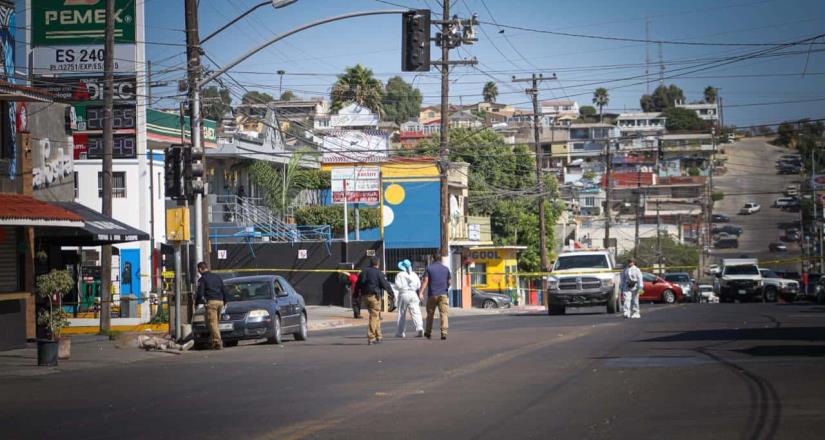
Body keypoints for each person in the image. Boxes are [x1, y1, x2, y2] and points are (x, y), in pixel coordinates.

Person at [356, 257, 394, 345]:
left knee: (375, 315)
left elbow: (358, 284)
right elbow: (385, 284)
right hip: (374, 297)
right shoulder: (378, 273)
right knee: (374, 316)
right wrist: (391, 293)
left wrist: (356, 294)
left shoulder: (363, 271)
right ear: (378, 263)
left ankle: (378, 336)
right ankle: (371, 337)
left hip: (365, 296)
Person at [195, 262, 227, 349]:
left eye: (198, 270)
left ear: (200, 269)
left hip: (211, 302)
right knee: (215, 323)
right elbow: (223, 289)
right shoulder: (217, 277)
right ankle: (213, 342)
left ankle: (218, 341)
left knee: (212, 323)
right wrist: (225, 301)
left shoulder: (202, 280)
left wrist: (197, 303)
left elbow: (200, 293)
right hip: (220, 302)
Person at [419, 254, 451, 340]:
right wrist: (446, 288)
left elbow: (425, 281)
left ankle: (428, 332)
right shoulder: (446, 269)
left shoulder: (429, 268)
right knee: (443, 314)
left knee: (430, 314)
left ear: (433, 258)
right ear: (440, 259)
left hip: (432, 294)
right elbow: (449, 282)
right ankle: (444, 333)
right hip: (443, 294)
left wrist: (421, 292)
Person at [394, 259, 424, 338]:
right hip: (413, 294)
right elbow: (418, 285)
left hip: (404, 294)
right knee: (416, 312)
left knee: (402, 314)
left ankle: (400, 332)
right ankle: (419, 328)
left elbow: (397, 285)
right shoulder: (414, 274)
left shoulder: (400, 274)